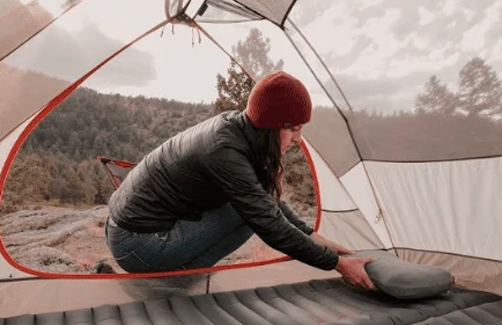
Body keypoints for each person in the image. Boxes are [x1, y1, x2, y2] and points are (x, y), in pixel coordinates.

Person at [104, 71, 375, 289]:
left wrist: (315, 237)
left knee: (252, 210)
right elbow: (267, 220)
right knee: (249, 215)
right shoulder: (224, 151)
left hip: (131, 230)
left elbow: (267, 201)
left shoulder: (239, 130)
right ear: (272, 124)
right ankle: (170, 285)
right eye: (294, 129)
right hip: (137, 243)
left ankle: (174, 280)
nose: (298, 139)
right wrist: (336, 264)